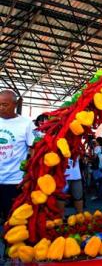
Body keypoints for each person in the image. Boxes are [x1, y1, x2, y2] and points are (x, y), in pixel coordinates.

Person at [0, 90, 35, 224]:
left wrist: (29, 174)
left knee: (14, 222)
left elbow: (33, 149)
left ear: (14, 104)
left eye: (4, 105)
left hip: (14, 182)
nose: (1, 108)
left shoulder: (26, 124)